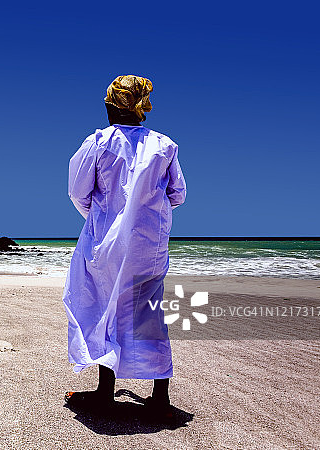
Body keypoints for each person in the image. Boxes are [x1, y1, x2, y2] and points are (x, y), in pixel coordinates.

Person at [62, 75, 186, 414]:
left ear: (111, 105)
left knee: (106, 306)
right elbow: (178, 194)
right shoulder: (164, 145)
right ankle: (161, 398)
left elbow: (77, 192)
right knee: (149, 313)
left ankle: (105, 392)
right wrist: (145, 213)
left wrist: (106, 217)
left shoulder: (99, 142)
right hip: (150, 245)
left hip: (107, 243)